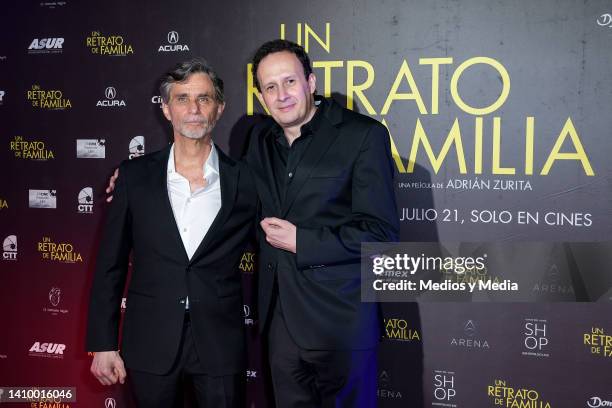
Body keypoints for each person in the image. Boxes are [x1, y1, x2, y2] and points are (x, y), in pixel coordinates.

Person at [86, 58, 256, 408]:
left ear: (219, 108)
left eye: (204, 98)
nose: (193, 109)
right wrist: (103, 344)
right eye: (182, 99)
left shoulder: (247, 180)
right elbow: (109, 266)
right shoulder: (133, 177)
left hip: (220, 344)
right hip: (149, 342)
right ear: (166, 109)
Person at [245, 39, 399, 407]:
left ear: (311, 82)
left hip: (339, 323)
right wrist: (140, 177)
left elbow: (381, 234)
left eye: (290, 82)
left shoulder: (362, 135)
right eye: (270, 87)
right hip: (280, 325)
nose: (281, 95)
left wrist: (304, 241)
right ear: (261, 96)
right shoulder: (260, 140)